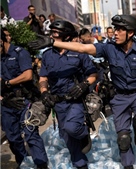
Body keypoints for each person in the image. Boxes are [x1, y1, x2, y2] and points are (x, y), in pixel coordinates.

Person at [29, 14, 136, 169]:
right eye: (116, 29)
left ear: (131, 33)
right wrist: (52, 42)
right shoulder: (108, 48)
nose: (115, 33)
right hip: (119, 97)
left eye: (120, 30)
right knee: (123, 139)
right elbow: (83, 49)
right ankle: (128, 165)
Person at [37, 20, 97, 169]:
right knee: (67, 137)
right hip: (58, 103)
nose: (52, 36)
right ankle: (81, 164)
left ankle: (84, 134)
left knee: (72, 128)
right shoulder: (47, 55)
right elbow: (43, 78)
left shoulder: (79, 52)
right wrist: (44, 93)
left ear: (67, 36)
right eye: (51, 33)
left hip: (76, 101)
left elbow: (93, 75)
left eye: (56, 33)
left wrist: (84, 85)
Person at [0, 29, 48, 169]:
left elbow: (27, 75)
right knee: (12, 138)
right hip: (7, 102)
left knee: (31, 134)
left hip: (24, 100)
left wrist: (8, 83)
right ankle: (23, 164)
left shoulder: (20, 53)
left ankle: (41, 165)